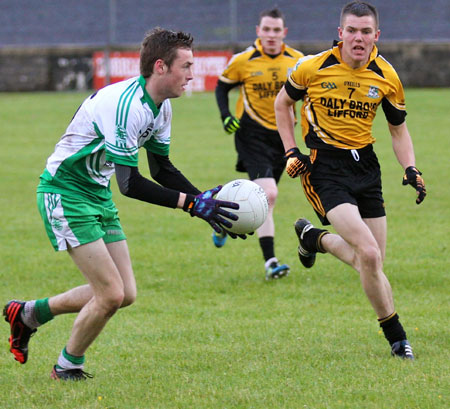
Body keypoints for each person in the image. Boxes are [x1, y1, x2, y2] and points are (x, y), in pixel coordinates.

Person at [3, 27, 248, 381]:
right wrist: (192, 206)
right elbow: (130, 184)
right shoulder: (126, 106)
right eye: (187, 66)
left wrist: (203, 200)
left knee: (124, 293)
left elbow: (162, 169)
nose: (193, 75)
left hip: (95, 193)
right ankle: (67, 366)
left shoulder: (161, 108)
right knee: (110, 293)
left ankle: (29, 314)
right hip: (66, 191)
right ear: (161, 67)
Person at [274, 1, 426, 359]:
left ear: (377, 36)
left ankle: (314, 238)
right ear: (341, 33)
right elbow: (283, 105)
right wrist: (291, 151)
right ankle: (397, 337)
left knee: (372, 263)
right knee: (368, 254)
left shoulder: (386, 75)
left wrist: (411, 168)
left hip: (366, 168)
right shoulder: (313, 67)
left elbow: (397, 129)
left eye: (366, 32)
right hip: (324, 167)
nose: (359, 38)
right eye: (352, 31)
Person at [214, 7, 304, 280]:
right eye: (266, 29)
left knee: (266, 200)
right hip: (251, 134)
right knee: (269, 194)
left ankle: (221, 218)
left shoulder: (298, 61)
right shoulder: (244, 60)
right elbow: (221, 86)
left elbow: (308, 94)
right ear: (258, 31)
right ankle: (271, 262)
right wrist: (226, 115)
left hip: (282, 137)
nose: (271, 35)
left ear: (284, 33)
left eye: (276, 30)